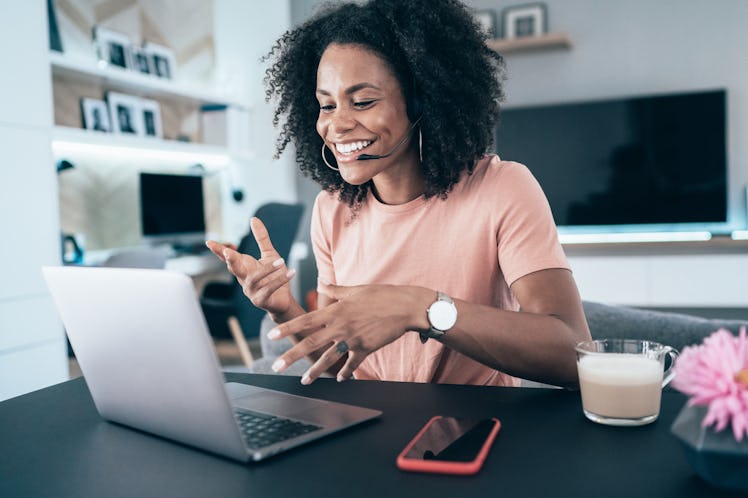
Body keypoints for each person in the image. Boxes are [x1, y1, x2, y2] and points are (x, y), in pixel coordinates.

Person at [207, 0, 591, 389]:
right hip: (368, 425)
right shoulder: (331, 210)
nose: (336, 124)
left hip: (475, 427)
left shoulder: (501, 188)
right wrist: (282, 308)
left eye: (363, 102)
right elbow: (340, 361)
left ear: (421, 102)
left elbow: (573, 354)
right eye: (326, 105)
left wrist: (419, 307)